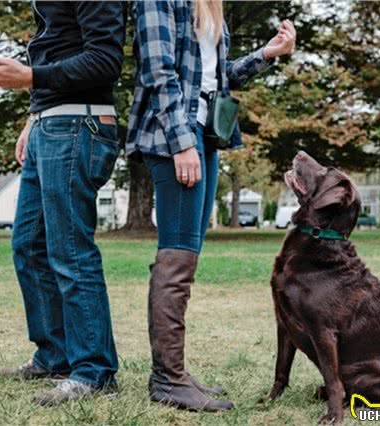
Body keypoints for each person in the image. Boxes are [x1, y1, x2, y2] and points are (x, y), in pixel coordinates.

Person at [127, 0, 296, 412]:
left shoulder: (209, 6)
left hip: (205, 136)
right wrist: (182, 142)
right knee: (177, 256)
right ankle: (168, 378)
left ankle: (172, 372)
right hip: (175, 138)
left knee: (185, 257)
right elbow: (158, 72)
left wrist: (266, 55)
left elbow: (218, 78)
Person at [0, 1, 126, 406]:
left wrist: (30, 77)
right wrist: (32, 118)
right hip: (50, 124)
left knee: (70, 251)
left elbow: (105, 60)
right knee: (29, 245)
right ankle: (55, 357)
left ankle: (93, 371)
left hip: (78, 125)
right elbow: (59, 51)